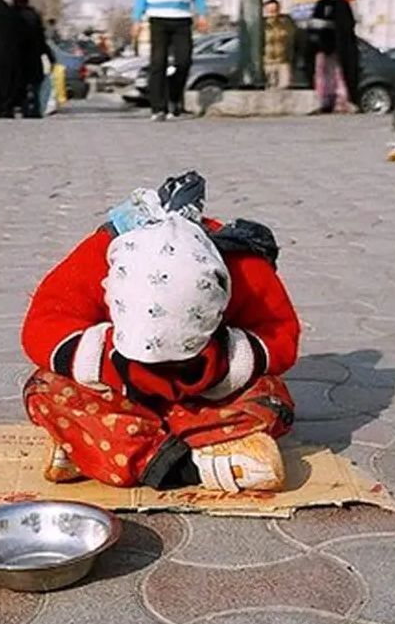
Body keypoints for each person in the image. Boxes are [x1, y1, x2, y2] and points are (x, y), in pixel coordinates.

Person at [21, 171, 301, 492]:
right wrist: (102, 361)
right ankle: (188, 464)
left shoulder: (244, 267)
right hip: (117, 389)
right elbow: (44, 322)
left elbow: (280, 332)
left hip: (207, 396)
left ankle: (98, 449)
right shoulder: (99, 255)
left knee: (270, 397)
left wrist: (225, 362)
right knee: (45, 389)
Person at [132, 0, 209, 121]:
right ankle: (158, 108)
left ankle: (174, 98)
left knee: (184, 61)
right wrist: (137, 19)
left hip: (182, 19)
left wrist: (202, 13)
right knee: (158, 63)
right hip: (158, 19)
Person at [309, 0, 360, 113]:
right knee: (328, 73)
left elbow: (345, 28)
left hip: (333, 48)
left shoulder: (336, 3)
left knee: (335, 74)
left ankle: (338, 100)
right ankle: (328, 100)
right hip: (328, 47)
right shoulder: (328, 4)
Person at [11, 0, 55, 118]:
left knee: (20, 85)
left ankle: (22, 107)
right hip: (34, 56)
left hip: (17, 57)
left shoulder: (11, 14)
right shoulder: (33, 15)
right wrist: (49, 56)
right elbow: (41, 38)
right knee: (35, 86)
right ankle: (34, 109)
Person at [263, 0, 296, 90]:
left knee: (285, 86)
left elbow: (293, 39)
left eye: (275, 10)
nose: (273, 14)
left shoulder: (286, 23)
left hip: (283, 61)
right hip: (267, 63)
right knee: (270, 88)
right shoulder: (263, 25)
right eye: (270, 11)